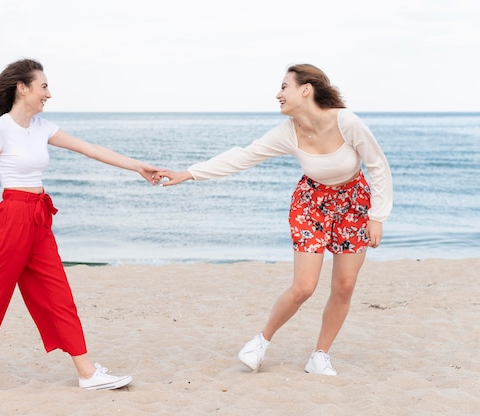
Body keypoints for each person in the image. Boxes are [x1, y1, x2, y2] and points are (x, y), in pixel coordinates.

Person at [157, 64, 392, 376]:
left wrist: (377, 216)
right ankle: (261, 341)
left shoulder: (346, 121)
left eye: (284, 87)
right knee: (305, 286)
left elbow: (377, 165)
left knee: (345, 285)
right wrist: (187, 174)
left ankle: (320, 355)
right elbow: (242, 156)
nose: (278, 94)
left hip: (354, 204)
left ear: (305, 89)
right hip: (312, 204)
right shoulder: (287, 133)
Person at [0, 58, 161, 394]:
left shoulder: (43, 127)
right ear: (23, 88)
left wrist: (136, 166)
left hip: (39, 218)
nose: (49, 93)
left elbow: (90, 149)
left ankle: (87, 372)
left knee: (57, 294)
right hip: (13, 217)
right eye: (43, 86)